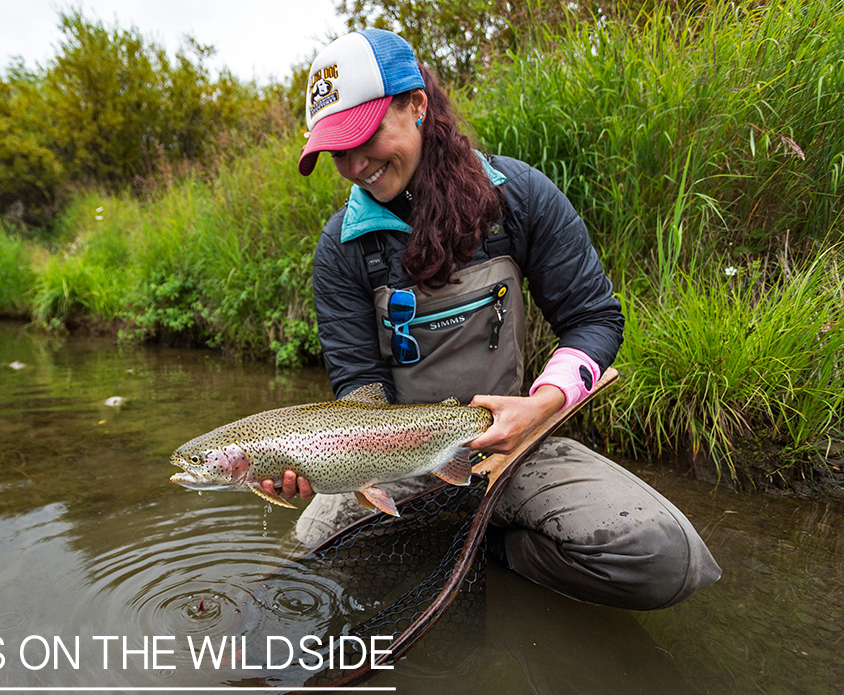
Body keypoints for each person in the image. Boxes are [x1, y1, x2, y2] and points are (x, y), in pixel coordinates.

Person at [263, 28, 721, 610]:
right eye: (337, 152)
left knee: (662, 559)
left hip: (521, 443)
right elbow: (359, 387)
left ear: (417, 105)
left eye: (367, 135)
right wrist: (320, 464)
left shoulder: (518, 197)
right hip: (398, 456)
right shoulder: (341, 250)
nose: (355, 165)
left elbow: (594, 319)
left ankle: (493, 549)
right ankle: (446, 537)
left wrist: (543, 403)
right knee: (307, 574)